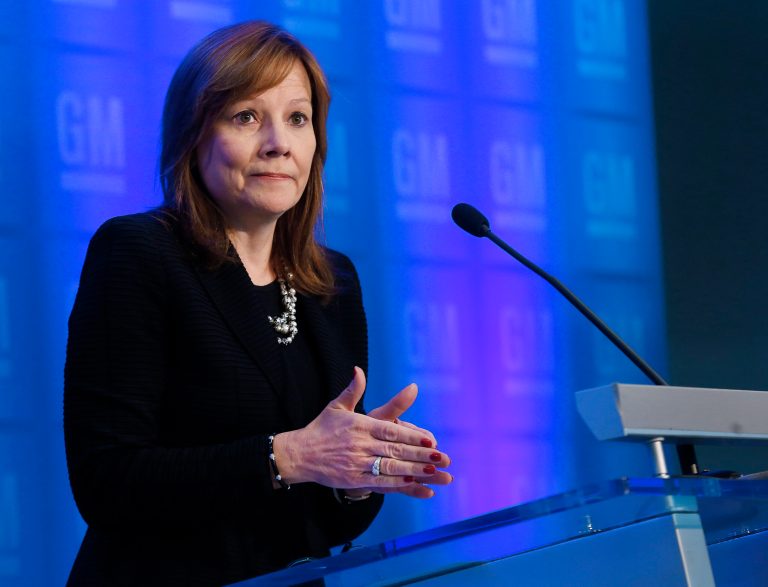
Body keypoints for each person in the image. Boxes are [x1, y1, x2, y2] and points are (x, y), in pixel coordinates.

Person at [63, 21, 452, 586]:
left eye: (298, 118)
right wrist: (289, 456)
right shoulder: (139, 254)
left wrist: (359, 475)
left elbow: (329, 516)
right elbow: (108, 482)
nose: (279, 142)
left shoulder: (332, 279)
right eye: (246, 117)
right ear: (193, 134)